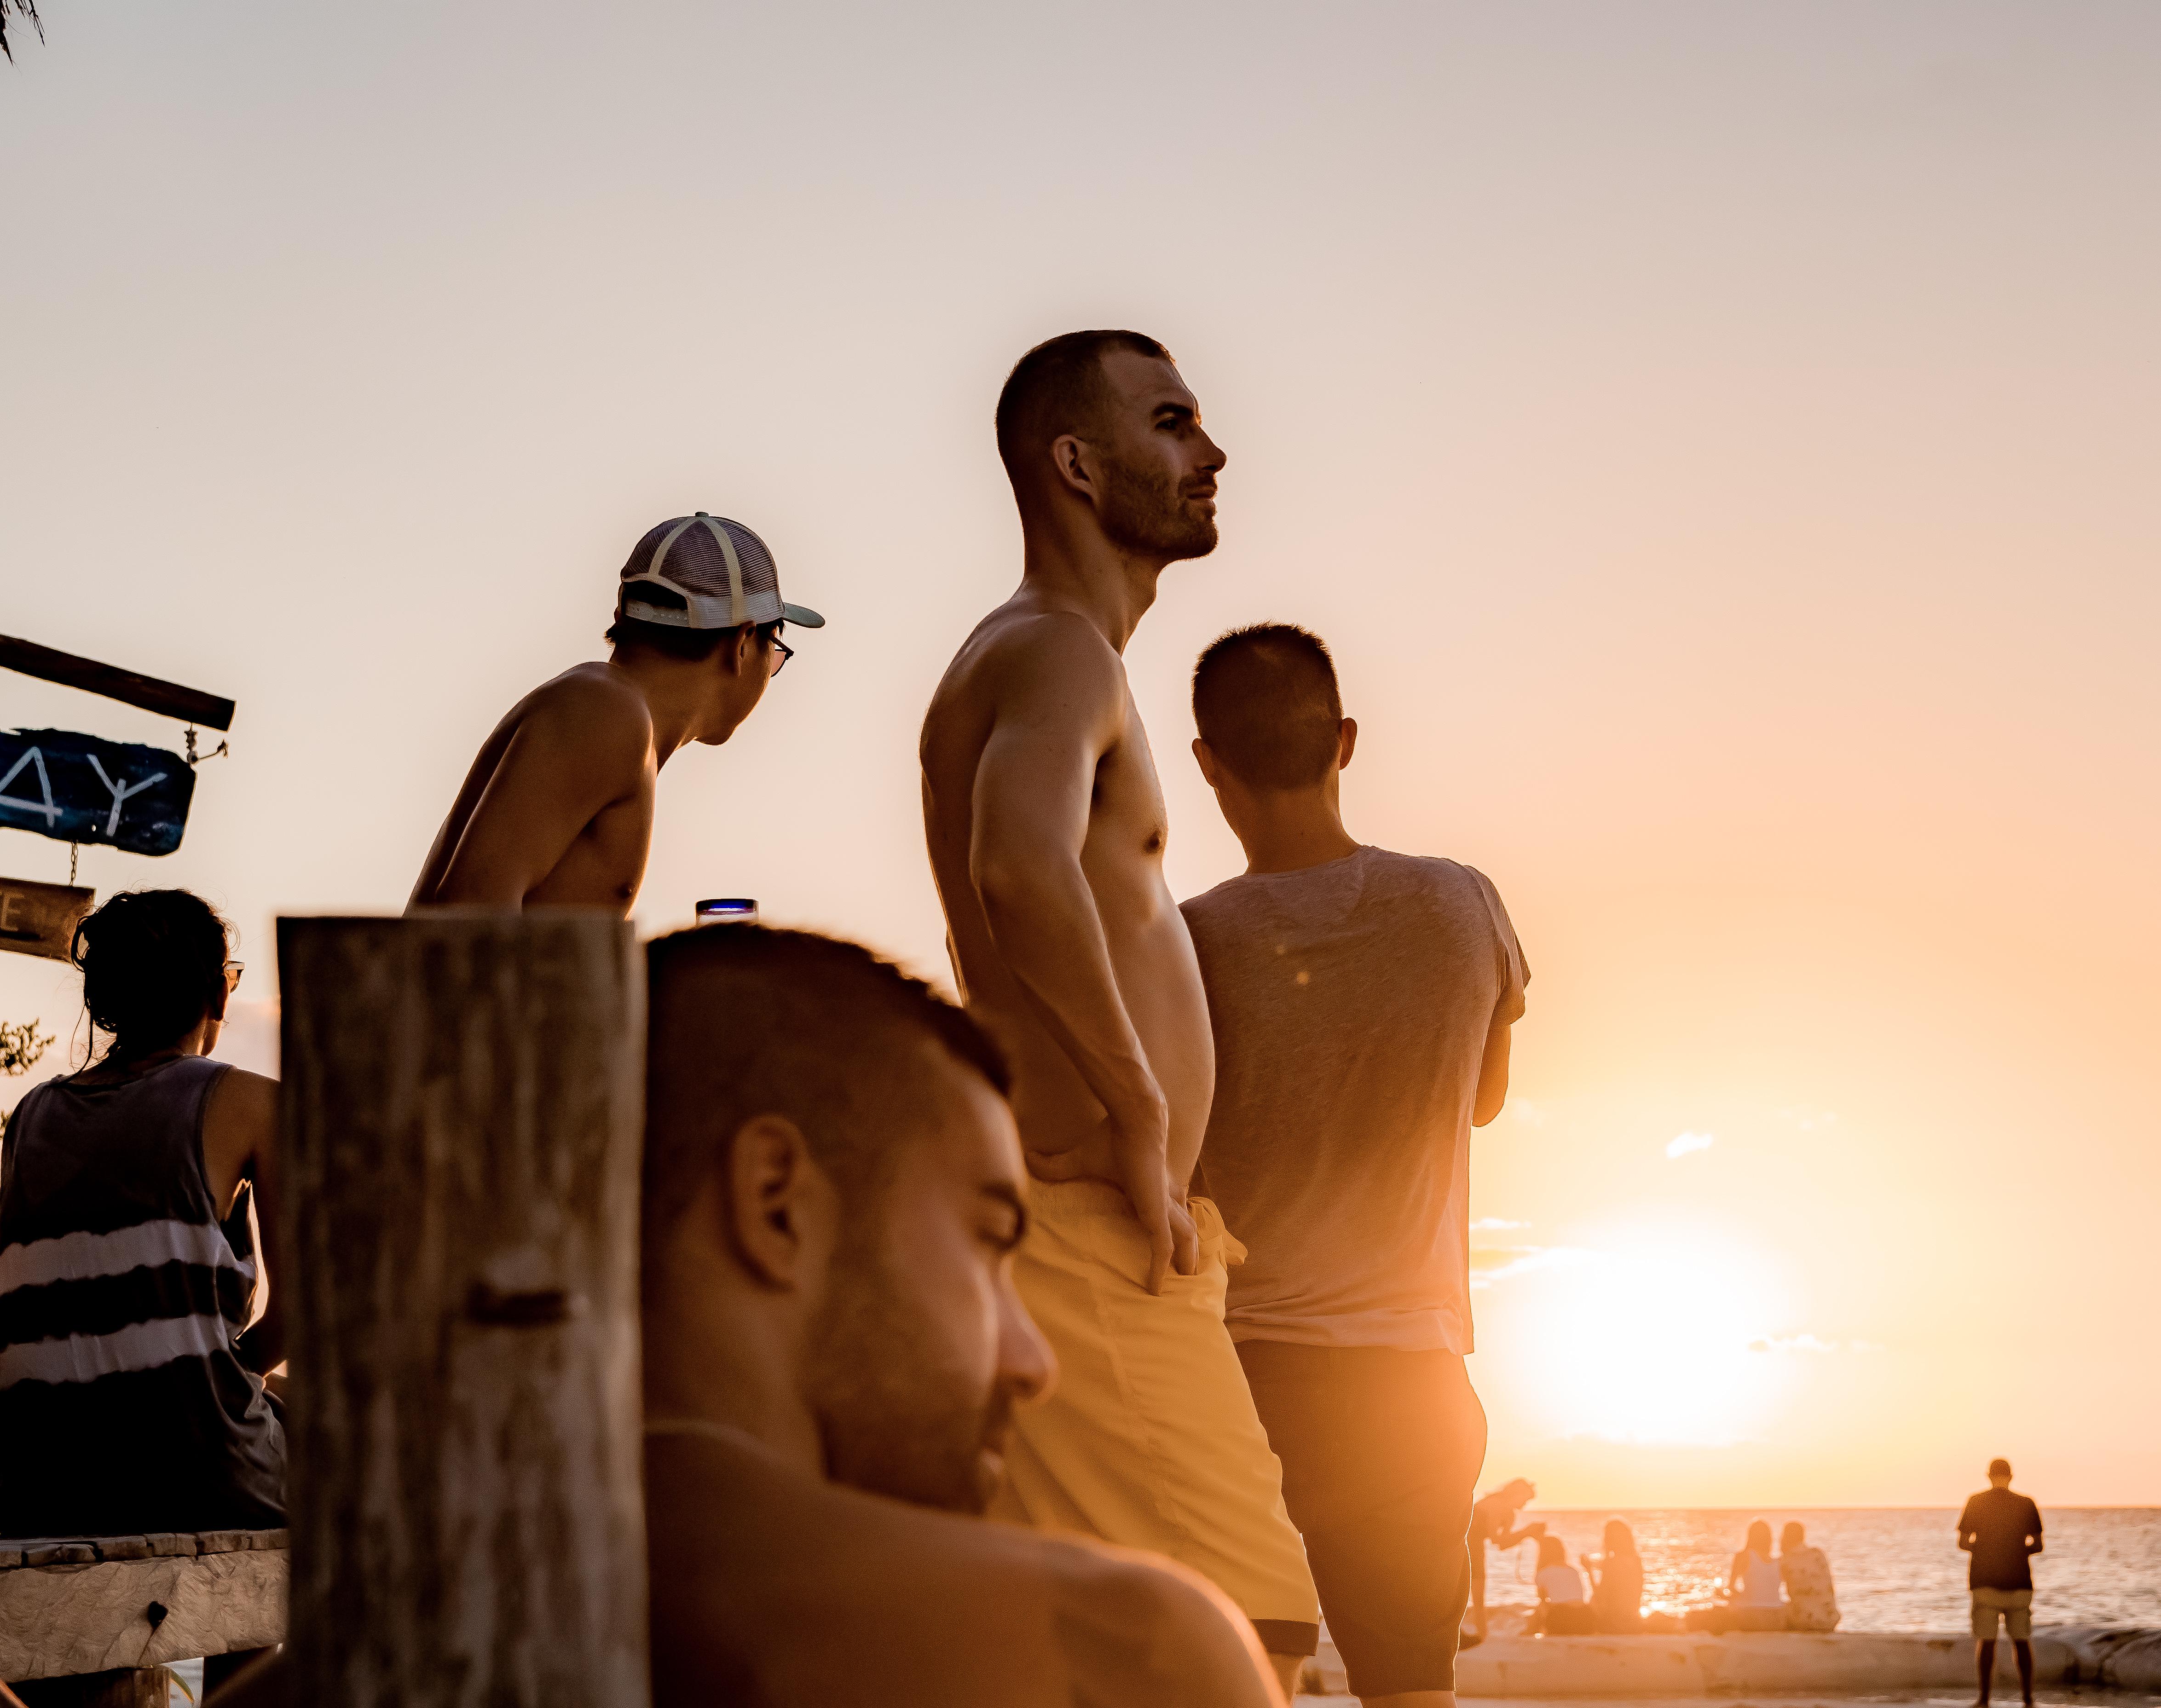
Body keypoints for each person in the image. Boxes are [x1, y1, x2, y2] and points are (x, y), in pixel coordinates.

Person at [919, 330, 1318, 1690]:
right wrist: (1145, 1109)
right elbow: (1013, 861)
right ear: (1076, 465)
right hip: (1093, 1231)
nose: (1210, 453)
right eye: (1172, 422)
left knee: (1099, 1657)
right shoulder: (1054, 655)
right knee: (1241, 1643)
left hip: (1092, 1230)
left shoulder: (1038, 654)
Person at [637, 924, 1283, 1708]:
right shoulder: (1122, 1651)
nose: (1033, 1364)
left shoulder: (476, 1581)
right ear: (777, 1203)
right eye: (988, 1240)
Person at [1180, 622, 1531, 1707]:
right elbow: (1481, 1098)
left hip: (1243, 1383)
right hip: (1410, 1379)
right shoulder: (1460, 904)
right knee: (1412, 1690)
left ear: (1207, 764)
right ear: (1343, 741)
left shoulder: (1185, 941)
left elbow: (1167, 1151)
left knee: (1239, 1678)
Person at [0, 891, 285, 1539]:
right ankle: (251, 1646)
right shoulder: (253, 1102)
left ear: (107, 1003)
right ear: (218, 994)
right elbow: (305, 1313)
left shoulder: (29, 1116)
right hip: (197, 1470)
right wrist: (229, 1372)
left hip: (37, 1482)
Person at [410, 511, 817, 910]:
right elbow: (471, 917)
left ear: (621, 614)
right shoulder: (605, 711)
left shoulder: (611, 711)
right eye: (777, 647)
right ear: (743, 641)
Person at [1959, 1458, 2045, 1708]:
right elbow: (2038, 1545)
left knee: (1986, 1641)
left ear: (1988, 1475)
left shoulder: (1976, 1502)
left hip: (1984, 1580)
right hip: (2019, 1581)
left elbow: (1963, 1543)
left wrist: (1986, 1549)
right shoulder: (2026, 1503)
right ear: (2011, 1476)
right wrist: (2015, 1550)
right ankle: (2028, 1700)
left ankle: (1984, 1699)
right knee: (2022, 1642)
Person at [1465, 1479, 1548, 1642]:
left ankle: (1482, 1636)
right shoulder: (1497, 1504)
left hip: (1476, 1546)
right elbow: (1495, 1537)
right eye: (1525, 1500)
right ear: (1516, 1494)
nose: (1525, 1505)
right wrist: (1526, 1532)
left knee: (1478, 1592)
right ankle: (1481, 1636)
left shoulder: (1509, 1513)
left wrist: (1528, 1534)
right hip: (1466, 1544)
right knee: (1477, 1590)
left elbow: (1502, 1544)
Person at [1686, 1520, 1786, 1632]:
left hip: (1751, 1617)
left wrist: (1722, 1594)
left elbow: (1731, 1588)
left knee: (1716, 1614)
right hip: (1777, 1619)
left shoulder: (1743, 1556)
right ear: (1769, 1539)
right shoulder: (1779, 1562)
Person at [1585, 1518, 1646, 1634]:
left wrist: (1589, 1572)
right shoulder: (1636, 1562)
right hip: (1634, 1621)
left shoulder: (1612, 1564)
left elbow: (1601, 1599)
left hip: (1613, 1624)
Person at [1780, 1520, 1841, 1632]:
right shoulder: (1818, 1554)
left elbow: (1769, 1587)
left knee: (1772, 1610)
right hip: (1830, 1618)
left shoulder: (1785, 1561)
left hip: (1805, 1620)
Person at [1528, 1536, 1595, 1637]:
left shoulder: (1544, 1573)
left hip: (1562, 1618)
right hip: (1585, 1617)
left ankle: (1528, 1635)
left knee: (1541, 1607)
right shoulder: (1574, 1571)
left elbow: (1542, 1599)